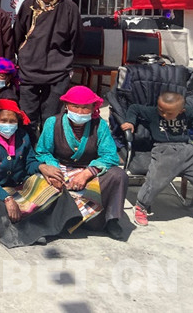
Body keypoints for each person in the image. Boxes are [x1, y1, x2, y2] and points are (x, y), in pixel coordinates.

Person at [0, 99, 83, 248]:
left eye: (12, 121)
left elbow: (29, 163)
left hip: (19, 185)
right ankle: (30, 232)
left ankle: (51, 226)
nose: (8, 125)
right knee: (2, 209)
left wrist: (42, 167)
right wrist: (7, 198)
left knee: (52, 188)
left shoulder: (22, 136)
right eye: (3, 121)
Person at [35, 85, 129, 240]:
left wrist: (87, 173)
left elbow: (110, 155)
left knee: (118, 175)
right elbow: (43, 152)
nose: (79, 112)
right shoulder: (53, 123)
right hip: (60, 168)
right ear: (66, 105)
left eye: (85, 108)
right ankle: (50, 222)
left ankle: (111, 220)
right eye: (75, 106)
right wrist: (54, 171)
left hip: (89, 170)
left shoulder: (100, 125)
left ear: (93, 108)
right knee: (38, 179)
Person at [14, 0, 82, 135]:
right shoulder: (28, 5)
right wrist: (23, 57)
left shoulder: (69, 8)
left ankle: (47, 148)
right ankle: (28, 148)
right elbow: (17, 35)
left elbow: (76, 40)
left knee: (51, 117)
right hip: (29, 69)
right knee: (27, 116)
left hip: (57, 71)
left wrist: (66, 63)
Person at [120, 92, 193, 225]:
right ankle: (141, 206)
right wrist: (130, 122)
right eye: (161, 110)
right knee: (155, 180)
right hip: (164, 149)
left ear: (181, 111)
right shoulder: (153, 112)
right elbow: (134, 108)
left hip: (188, 149)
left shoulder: (188, 112)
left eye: (169, 113)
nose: (163, 114)